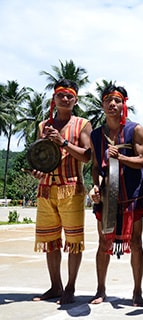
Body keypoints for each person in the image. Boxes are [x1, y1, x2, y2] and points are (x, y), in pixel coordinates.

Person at [31, 79, 92, 305]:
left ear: (75, 100)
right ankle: (55, 285)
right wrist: (36, 170)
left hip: (71, 188)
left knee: (73, 240)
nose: (65, 99)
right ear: (53, 99)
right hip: (46, 189)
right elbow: (38, 155)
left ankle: (70, 286)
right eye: (61, 95)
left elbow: (87, 155)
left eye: (69, 96)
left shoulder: (83, 124)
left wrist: (63, 142)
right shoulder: (43, 126)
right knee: (50, 240)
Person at [88, 84, 143, 307]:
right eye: (108, 101)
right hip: (106, 196)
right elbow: (96, 167)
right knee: (103, 240)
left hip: (132, 194)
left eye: (117, 101)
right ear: (103, 104)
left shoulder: (136, 130)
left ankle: (137, 291)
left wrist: (121, 158)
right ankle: (100, 289)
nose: (112, 104)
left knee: (135, 241)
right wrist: (95, 187)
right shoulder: (96, 134)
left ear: (124, 104)